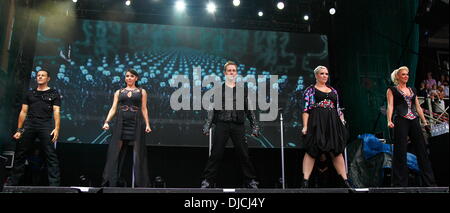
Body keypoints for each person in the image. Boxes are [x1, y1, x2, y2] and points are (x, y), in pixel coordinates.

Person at [200, 61, 260, 189]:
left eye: (233, 70)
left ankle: (250, 180)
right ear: (225, 73)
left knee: (244, 153)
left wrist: (255, 126)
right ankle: (208, 180)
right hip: (222, 124)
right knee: (216, 153)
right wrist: (207, 125)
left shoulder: (242, 90)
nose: (231, 72)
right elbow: (211, 109)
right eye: (229, 70)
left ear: (236, 73)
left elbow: (249, 109)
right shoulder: (218, 89)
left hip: (238, 125)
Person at [6, 70, 61, 186]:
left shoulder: (54, 93)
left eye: (43, 75)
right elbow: (23, 112)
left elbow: (56, 111)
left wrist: (56, 128)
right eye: (38, 75)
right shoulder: (30, 93)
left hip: (45, 125)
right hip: (30, 124)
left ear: (48, 78)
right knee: (21, 153)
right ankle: (12, 184)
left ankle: (54, 186)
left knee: (50, 155)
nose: (40, 77)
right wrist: (19, 130)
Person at [300, 65, 352, 188]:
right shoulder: (310, 90)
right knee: (312, 150)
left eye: (326, 74)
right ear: (316, 75)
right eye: (322, 73)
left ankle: (345, 181)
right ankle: (305, 181)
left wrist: (342, 121)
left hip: (332, 122)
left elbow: (338, 108)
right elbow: (306, 109)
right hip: (317, 121)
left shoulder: (333, 90)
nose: (325, 76)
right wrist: (305, 126)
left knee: (337, 151)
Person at [386, 66, 436, 187]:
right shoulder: (392, 90)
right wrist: (389, 120)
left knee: (422, 150)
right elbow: (390, 106)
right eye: (403, 74)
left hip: (413, 120)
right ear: (397, 77)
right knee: (400, 151)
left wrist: (424, 121)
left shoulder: (412, 89)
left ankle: (429, 183)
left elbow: (417, 107)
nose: (406, 76)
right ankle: (399, 184)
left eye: (407, 74)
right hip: (401, 120)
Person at [101, 69, 152, 187]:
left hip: (136, 122)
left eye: (132, 76)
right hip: (121, 122)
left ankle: (141, 184)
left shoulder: (141, 91)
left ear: (136, 78)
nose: (129, 78)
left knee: (138, 153)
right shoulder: (119, 92)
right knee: (115, 152)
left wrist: (148, 124)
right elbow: (113, 108)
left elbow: (144, 108)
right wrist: (107, 121)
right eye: (127, 76)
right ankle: (111, 182)